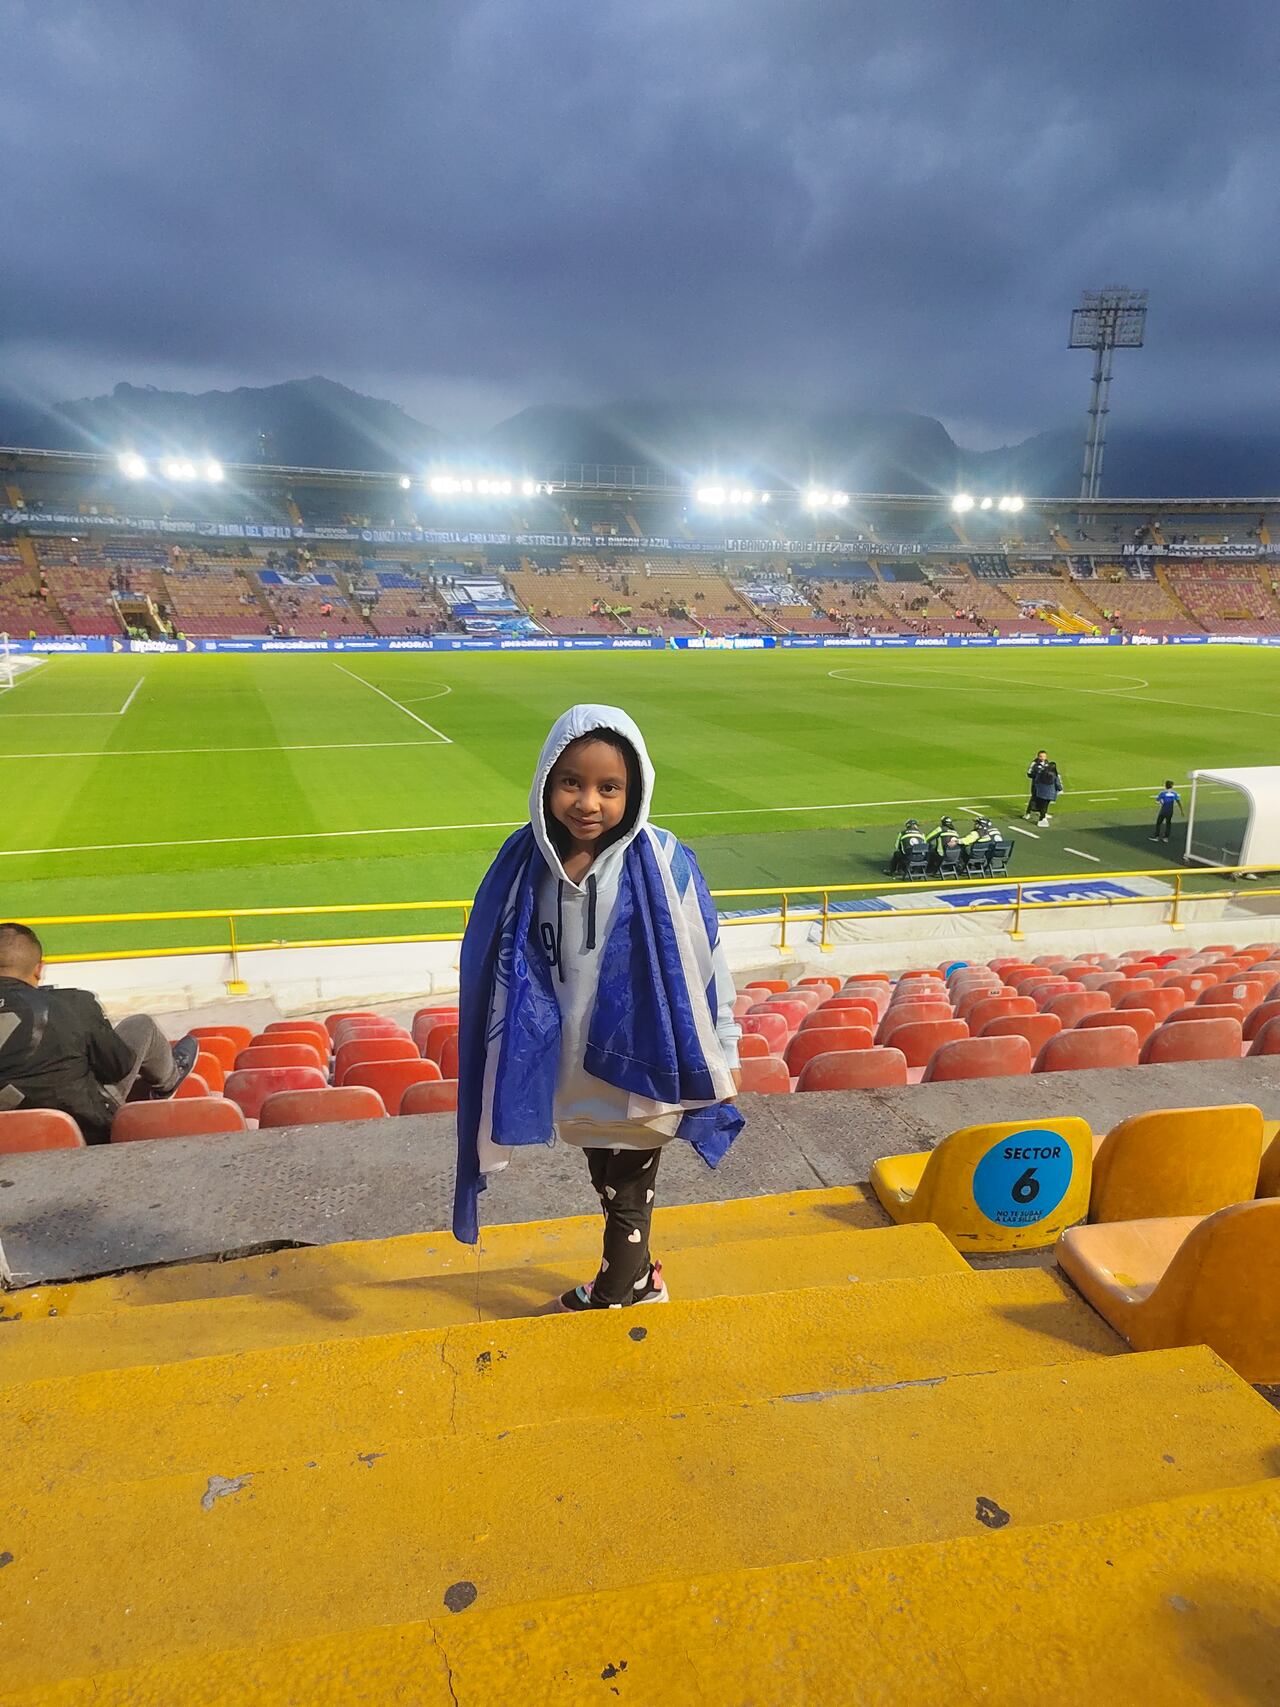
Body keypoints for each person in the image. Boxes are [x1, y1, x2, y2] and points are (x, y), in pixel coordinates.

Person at [452, 705, 743, 1312]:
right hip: (571, 1067)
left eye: (608, 788)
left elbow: (706, 958)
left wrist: (725, 1045)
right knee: (606, 1173)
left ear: (633, 791)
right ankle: (636, 1275)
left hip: (645, 1057)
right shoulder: (526, 863)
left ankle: (622, 1289)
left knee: (628, 1184)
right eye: (572, 783)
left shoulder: (664, 861)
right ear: (544, 785)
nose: (588, 802)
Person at [0, 923, 198, 1145]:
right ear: (39, 969)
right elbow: (117, 1069)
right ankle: (168, 1082)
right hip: (86, 1132)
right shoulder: (74, 1003)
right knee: (140, 1025)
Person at [1031, 760, 1063, 828]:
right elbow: (1057, 784)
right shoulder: (1054, 775)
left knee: (1042, 805)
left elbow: (1036, 780)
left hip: (1040, 792)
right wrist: (1060, 789)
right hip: (1049, 793)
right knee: (1045, 806)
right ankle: (1042, 818)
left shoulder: (1041, 772)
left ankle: (1042, 817)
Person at [1025, 751, 1051, 819]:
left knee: (1044, 799)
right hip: (1036, 784)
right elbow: (1029, 773)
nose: (1043, 758)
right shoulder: (1034, 763)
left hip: (1044, 785)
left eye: (1044, 756)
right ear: (1038, 756)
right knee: (1034, 798)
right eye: (1041, 756)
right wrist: (1038, 775)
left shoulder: (1047, 763)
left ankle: (1043, 813)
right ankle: (1028, 813)